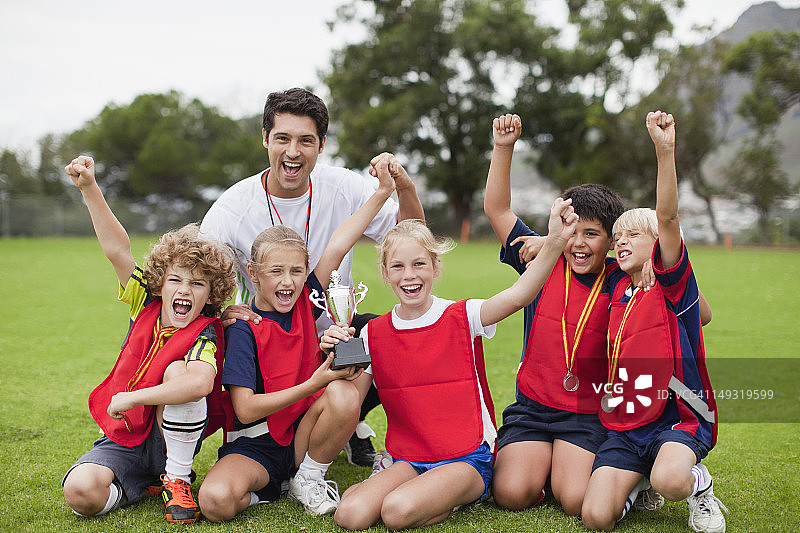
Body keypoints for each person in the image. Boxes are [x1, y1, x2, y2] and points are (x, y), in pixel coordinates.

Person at [200, 87, 425, 467]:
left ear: (321, 145)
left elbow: (412, 236)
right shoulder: (231, 209)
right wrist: (220, 315)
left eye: (305, 140)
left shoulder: (345, 187)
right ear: (265, 138)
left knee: (394, 337)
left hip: (333, 329)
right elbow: (196, 276)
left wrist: (403, 186)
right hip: (268, 339)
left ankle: (352, 423)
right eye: (282, 138)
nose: (293, 151)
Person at [324, 196, 579, 531]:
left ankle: (454, 496)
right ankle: (412, 488)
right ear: (385, 273)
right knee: (350, 514)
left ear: (435, 267)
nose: (409, 276)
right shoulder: (373, 332)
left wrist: (556, 241)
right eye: (398, 267)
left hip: (465, 457)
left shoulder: (463, 315)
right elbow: (350, 400)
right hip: (409, 457)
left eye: (419, 264)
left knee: (396, 511)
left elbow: (519, 295)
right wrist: (335, 354)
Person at [197, 157, 398, 520]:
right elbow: (245, 409)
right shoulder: (243, 327)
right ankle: (274, 490)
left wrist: (383, 191)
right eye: (276, 271)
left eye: (296, 271)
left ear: (307, 272)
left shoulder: (307, 300)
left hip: (300, 438)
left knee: (343, 393)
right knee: (215, 502)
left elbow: (340, 241)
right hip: (256, 447)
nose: (287, 281)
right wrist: (313, 383)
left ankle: (309, 476)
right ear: (253, 274)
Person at [61, 156, 236, 524]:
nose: (184, 290)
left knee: (177, 371)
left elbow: (200, 383)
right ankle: (142, 487)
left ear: (211, 293)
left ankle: (177, 478)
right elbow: (117, 250)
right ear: (161, 283)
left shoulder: (205, 330)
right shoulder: (144, 303)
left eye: (197, 283)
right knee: (79, 492)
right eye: (176, 280)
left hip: (166, 440)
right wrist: (89, 188)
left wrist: (133, 397)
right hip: (123, 437)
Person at [581, 111, 727, 533]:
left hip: (678, 417)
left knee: (671, 480)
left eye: (633, 235)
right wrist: (544, 242)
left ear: (658, 244)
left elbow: (667, 219)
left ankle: (699, 485)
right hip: (627, 422)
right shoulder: (615, 284)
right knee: (595, 517)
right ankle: (642, 482)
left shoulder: (670, 280)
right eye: (618, 238)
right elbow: (583, 252)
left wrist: (665, 152)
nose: (621, 242)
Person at [483, 114, 631, 516]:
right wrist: (503, 147)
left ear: (611, 240)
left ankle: (634, 479)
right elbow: (496, 209)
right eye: (572, 232)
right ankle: (543, 468)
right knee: (510, 494)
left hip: (586, 413)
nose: (578, 244)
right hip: (533, 408)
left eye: (591, 234)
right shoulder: (543, 257)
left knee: (577, 500)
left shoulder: (622, 278)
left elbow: (695, 311)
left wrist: (650, 261)